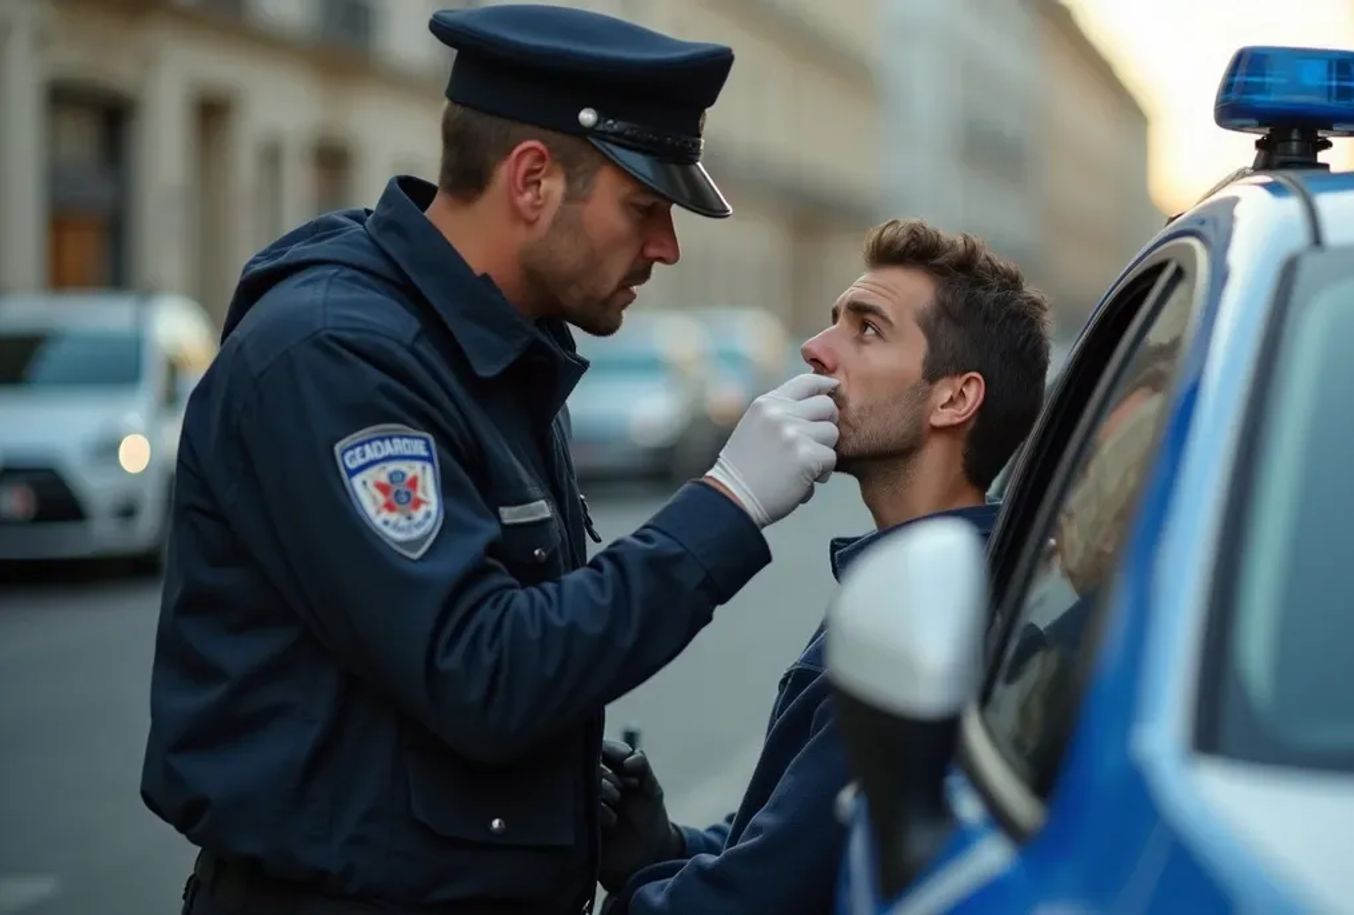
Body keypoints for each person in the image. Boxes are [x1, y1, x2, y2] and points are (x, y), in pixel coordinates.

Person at [140, 5, 841, 914]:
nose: (666, 246)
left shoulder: (490, 348)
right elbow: (482, 670)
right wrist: (728, 500)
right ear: (533, 181)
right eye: (644, 206)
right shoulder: (337, 359)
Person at [595, 218, 1053, 914]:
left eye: (866, 329)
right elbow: (801, 841)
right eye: (834, 320)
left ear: (954, 397)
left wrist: (635, 888)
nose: (815, 348)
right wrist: (664, 842)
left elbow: (756, 901)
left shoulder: (926, 619)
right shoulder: (937, 578)